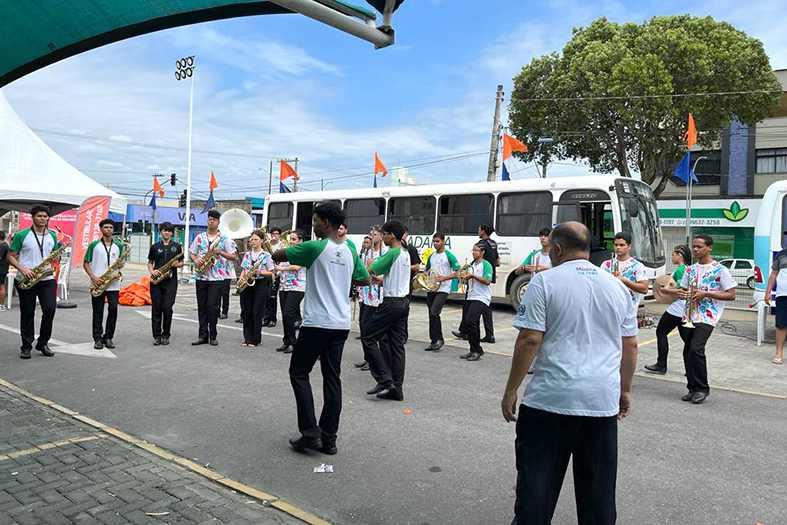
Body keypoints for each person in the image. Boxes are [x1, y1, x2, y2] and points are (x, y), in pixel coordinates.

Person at [501, 222, 638, 525]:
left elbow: (529, 339)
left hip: (550, 401)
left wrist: (511, 389)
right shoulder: (617, 286)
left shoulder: (544, 282)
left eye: (549, 249)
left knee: (537, 487)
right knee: (598, 492)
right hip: (600, 403)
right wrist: (624, 390)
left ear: (558, 249)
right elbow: (630, 345)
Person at [271, 202, 369, 455]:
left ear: (326, 223)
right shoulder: (350, 251)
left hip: (317, 323)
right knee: (332, 379)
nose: (313, 225)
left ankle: (310, 433)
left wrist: (289, 244)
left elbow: (276, 256)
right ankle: (329, 439)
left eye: (315, 220)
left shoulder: (313, 247)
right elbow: (365, 279)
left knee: (299, 373)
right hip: (340, 324)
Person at [677, 234, 737, 404]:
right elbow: (683, 291)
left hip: (708, 315)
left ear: (710, 248)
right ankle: (692, 387)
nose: (695, 250)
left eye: (699, 247)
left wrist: (707, 293)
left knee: (696, 348)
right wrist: (682, 294)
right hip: (689, 314)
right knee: (687, 351)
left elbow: (731, 294)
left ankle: (703, 388)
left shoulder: (720, 270)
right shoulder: (690, 269)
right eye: (694, 247)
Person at [362, 220, 412, 401]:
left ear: (391, 235)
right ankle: (397, 389)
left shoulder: (392, 252)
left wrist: (357, 269)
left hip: (391, 303)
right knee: (396, 346)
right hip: (403, 301)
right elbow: (388, 278)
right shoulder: (405, 253)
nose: (382, 237)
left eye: (383, 234)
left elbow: (369, 269)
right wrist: (377, 280)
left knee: (368, 337)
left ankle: (384, 379)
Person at [7, 205, 60, 359]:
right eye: (39, 216)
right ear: (33, 217)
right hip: (27, 278)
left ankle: (43, 342)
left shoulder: (52, 236)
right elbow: (11, 256)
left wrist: (55, 258)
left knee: (50, 309)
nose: (42, 218)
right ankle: (26, 346)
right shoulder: (22, 235)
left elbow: (53, 255)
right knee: (27, 313)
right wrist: (23, 269)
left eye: (45, 216)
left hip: (47, 278)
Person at [189, 209, 237, 346]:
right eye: (210, 219)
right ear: (207, 221)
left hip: (217, 278)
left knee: (213, 306)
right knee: (202, 306)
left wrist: (220, 252)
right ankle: (202, 335)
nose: (212, 221)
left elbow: (233, 256)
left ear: (218, 222)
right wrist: (196, 259)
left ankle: (213, 335)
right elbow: (192, 253)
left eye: (214, 219)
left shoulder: (224, 239)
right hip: (201, 276)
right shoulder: (200, 237)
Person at [644, 245, 690, 374]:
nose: (672, 257)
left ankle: (661, 365)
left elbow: (683, 291)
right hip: (684, 309)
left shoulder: (681, 270)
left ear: (679, 255)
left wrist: (666, 290)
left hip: (678, 308)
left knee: (661, 332)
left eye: (673, 254)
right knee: (688, 340)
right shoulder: (686, 269)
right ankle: (691, 368)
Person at [83, 219, 125, 350]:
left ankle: (108, 337)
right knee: (98, 311)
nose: (109, 229)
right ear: (100, 229)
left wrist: (120, 265)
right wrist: (93, 277)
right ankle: (98, 338)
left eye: (111, 227)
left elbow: (121, 263)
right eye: (106, 227)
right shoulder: (94, 245)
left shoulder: (119, 245)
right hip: (98, 282)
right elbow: (86, 262)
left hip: (113, 283)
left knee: (113, 309)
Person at [453, 223, 499, 343]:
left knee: (471, 311)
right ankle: (489, 334)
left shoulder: (483, 245)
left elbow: (481, 262)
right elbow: (497, 261)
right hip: (484, 275)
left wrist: (474, 271)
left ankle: (466, 332)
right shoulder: (493, 243)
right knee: (485, 310)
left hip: (481, 277)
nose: (473, 252)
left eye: (479, 230)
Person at [147, 222, 184, 346]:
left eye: (169, 231)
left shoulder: (177, 246)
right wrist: (152, 271)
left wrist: (176, 264)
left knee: (167, 308)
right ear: (160, 232)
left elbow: (182, 262)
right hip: (157, 280)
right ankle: (156, 335)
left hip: (171, 280)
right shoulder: (154, 247)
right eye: (164, 230)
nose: (166, 232)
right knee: (156, 308)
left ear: (172, 233)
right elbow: (150, 262)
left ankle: (166, 334)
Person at [423, 232, 460, 351]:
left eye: (437, 241)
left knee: (434, 312)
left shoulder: (448, 255)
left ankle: (439, 339)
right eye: (434, 241)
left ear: (443, 241)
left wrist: (445, 278)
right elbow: (426, 269)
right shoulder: (432, 256)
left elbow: (458, 271)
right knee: (431, 314)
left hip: (443, 288)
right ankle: (434, 340)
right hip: (432, 288)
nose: (435, 244)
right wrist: (424, 277)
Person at [355, 226, 386, 370]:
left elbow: (381, 278)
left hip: (377, 296)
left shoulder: (384, 253)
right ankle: (368, 357)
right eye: (370, 234)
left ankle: (375, 359)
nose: (372, 236)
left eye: (375, 234)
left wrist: (371, 270)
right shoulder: (366, 253)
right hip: (365, 295)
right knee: (363, 326)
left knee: (373, 330)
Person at [456, 243, 493, 361]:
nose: (473, 252)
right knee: (470, 323)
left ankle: (477, 349)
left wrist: (472, 275)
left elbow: (487, 281)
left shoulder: (486, 264)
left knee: (470, 321)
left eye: (476, 250)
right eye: (473, 250)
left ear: (482, 252)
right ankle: (473, 349)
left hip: (482, 297)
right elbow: (464, 277)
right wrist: (462, 276)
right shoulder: (470, 265)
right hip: (471, 295)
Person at [239, 230, 274, 347]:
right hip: (248, 284)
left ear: (262, 241)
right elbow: (244, 269)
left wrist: (260, 272)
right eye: (252, 240)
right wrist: (241, 278)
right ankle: (247, 338)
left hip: (260, 283)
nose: (253, 242)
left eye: (256, 240)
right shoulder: (247, 254)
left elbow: (272, 272)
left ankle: (255, 339)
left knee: (257, 311)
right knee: (247, 311)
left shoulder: (266, 255)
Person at [275, 230, 306, 354]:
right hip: (284, 286)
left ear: (300, 241)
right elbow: (281, 265)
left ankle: (293, 342)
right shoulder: (287, 252)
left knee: (289, 313)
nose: (291, 242)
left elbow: (297, 267)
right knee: (284, 314)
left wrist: (281, 268)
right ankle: (286, 340)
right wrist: (277, 271)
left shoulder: (303, 252)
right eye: (290, 239)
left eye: (294, 239)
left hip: (297, 286)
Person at [600, 232, 649, 306]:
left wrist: (624, 281)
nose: (618, 247)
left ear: (629, 246)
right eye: (616, 245)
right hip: (610, 307)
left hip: (629, 311)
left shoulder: (637, 266)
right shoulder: (606, 265)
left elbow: (644, 289)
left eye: (622, 245)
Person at [766, 241, 787, 365]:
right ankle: (778, 353)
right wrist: (768, 292)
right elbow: (774, 274)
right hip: (782, 295)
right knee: (781, 324)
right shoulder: (781, 254)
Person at [401, 227, 421, 343]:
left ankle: (404, 335)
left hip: (407, 282)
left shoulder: (411, 249)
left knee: (404, 309)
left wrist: (404, 267)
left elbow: (417, 266)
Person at [263, 226, 283, 328]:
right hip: (267, 271)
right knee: (265, 296)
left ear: (279, 235)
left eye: (276, 234)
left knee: (272, 296)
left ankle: (272, 318)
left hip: (276, 272)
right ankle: (265, 317)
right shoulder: (267, 245)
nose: (274, 236)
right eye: (272, 234)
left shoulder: (282, 245)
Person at [0, 230, 8, 312]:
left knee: (1, 287)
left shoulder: (2, 246)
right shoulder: (4, 245)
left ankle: (2, 305)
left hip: (1, 269)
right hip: (3, 269)